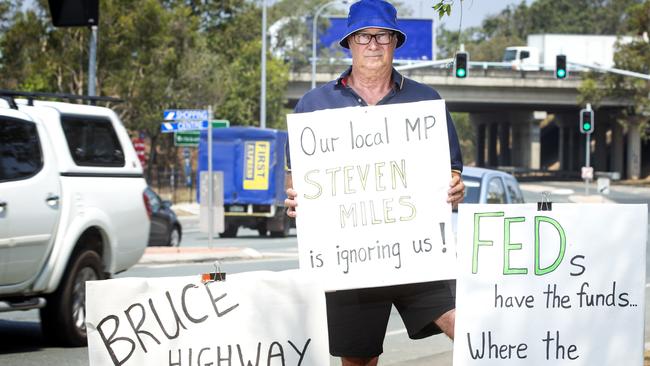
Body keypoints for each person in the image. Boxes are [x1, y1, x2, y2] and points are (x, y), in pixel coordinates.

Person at [284, 1, 464, 365]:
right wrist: (295, 202)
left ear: (395, 42)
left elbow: (453, 172)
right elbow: (297, 182)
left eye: (382, 35)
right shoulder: (313, 105)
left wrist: (454, 189)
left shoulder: (425, 101)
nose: (373, 44)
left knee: (467, 326)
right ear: (349, 43)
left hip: (418, 251)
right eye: (363, 36)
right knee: (358, 360)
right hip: (350, 260)